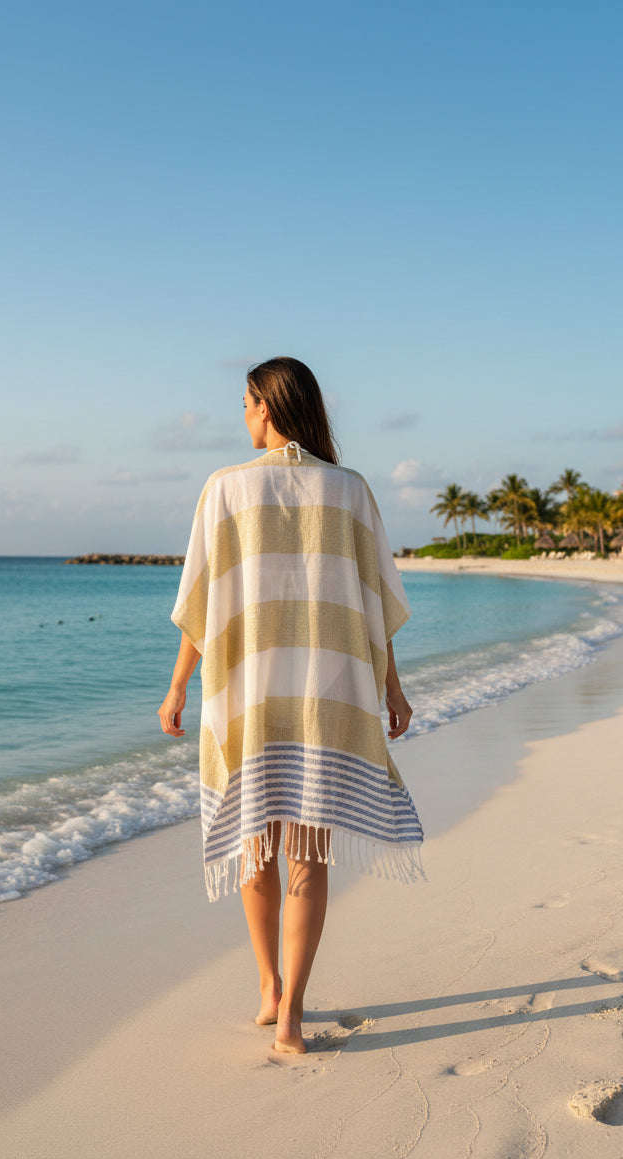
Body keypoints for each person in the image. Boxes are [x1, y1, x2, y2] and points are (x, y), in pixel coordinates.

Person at [158, 356, 423, 1054]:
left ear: (266, 408)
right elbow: (371, 606)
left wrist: (180, 684)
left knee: (256, 844)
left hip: (246, 694)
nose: (242, 415)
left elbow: (204, 606)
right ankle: (292, 1015)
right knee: (308, 849)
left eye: (245, 403)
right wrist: (391, 687)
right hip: (327, 697)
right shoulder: (351, 490)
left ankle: (270, 984)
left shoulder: (224, 490)